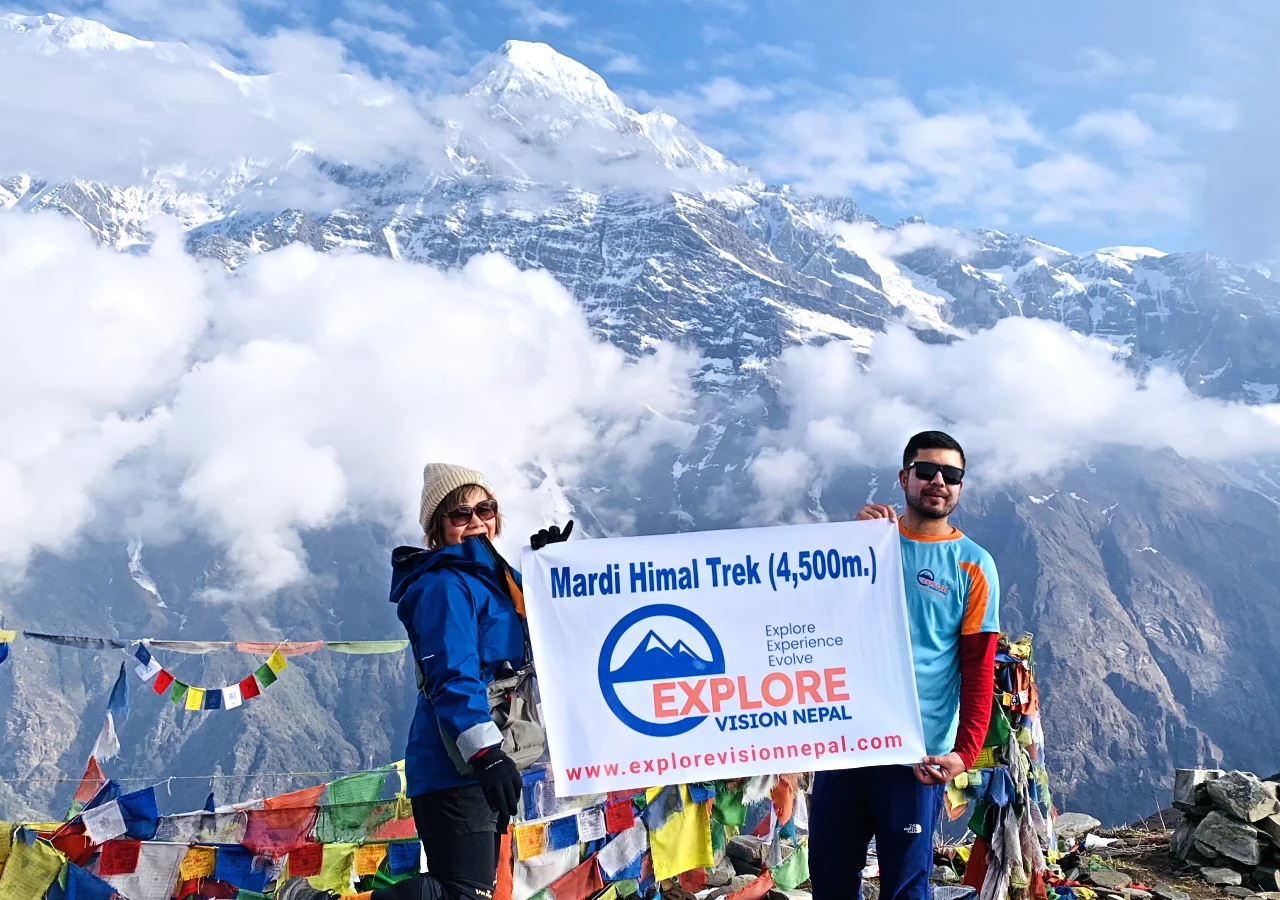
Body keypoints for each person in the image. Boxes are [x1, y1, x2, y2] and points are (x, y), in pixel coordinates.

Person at [279, 463, 571, 900]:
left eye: (485, 508)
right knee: (461, 892)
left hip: (490, 754)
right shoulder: (444, 586)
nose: (476, 521)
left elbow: (532, 641)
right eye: (460, 514)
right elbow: (451, 674)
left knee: (474, 891)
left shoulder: (494, 579)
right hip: (456, 762)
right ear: (438, 527)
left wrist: (548, 572)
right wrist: (486, 754)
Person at [809, 431, 1000, 900]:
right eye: (926, 471)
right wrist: (850, 545)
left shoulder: (974, 565)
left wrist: (964, 753)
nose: (938, 481)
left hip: (918, 754)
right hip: (845, 743)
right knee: (831, 879)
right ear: (904, 478)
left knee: (906, 888)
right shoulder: (865, 546)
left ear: (960, 486)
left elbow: (978, 670)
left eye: (951, 474)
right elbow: (817, 620)